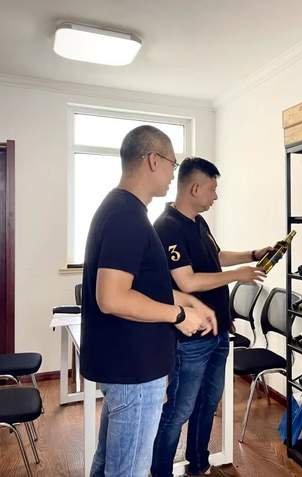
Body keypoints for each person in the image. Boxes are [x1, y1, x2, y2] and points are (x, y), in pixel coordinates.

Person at [80, 126, 217, 477]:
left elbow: (142, 285)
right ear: (153, 160)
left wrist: (188, 301)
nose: (173, 174)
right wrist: (178, 314)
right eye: (172, 164)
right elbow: (112, 297)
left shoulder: (123, 210)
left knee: (109, 465)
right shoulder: (127, 216)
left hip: (128, 367)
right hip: (134, 371)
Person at [151, 157, 271, 477]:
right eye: (212, 189)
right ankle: (160, 471)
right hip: (190, 339)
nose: (215, 196)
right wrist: (237, 275)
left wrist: (252, 255)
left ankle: (199, 464)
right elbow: (187, 281)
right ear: (194, 188)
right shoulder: (167, 227)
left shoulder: (198, 222)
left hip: (218, 332)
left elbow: (216, 256)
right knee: (179, 410)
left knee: (208, 403)